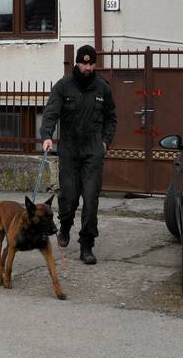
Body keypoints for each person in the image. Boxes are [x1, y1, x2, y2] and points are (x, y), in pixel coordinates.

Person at [40, 45, 117, 265]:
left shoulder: (103, 88)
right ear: (76, 63)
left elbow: (111, 118)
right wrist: (47, 135)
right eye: (84, 63)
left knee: (91, 200)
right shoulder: (63, 86)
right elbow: (51, 113)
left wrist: (105, 142)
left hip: (93, 151)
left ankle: (87, 245)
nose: (88, 68)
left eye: (92, 63)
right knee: (69, 197)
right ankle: (65, 225)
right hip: (70, 151)